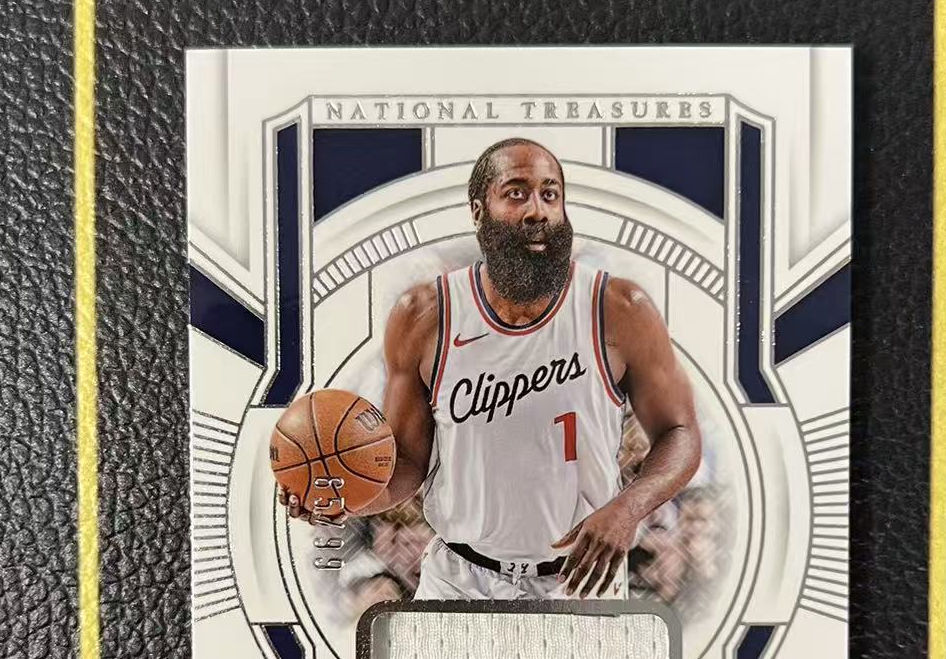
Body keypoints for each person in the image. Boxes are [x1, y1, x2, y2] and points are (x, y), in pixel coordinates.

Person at [284, 138, 701, 600]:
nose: (538, 210)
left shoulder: (619, 309)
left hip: (579, 578)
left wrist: (628, 508)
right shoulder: (424, 315)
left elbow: (680, 432)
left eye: (550, 194)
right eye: (517, 193)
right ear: (479, 211)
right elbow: (407, 464)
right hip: (459, 579)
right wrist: (344, 496)